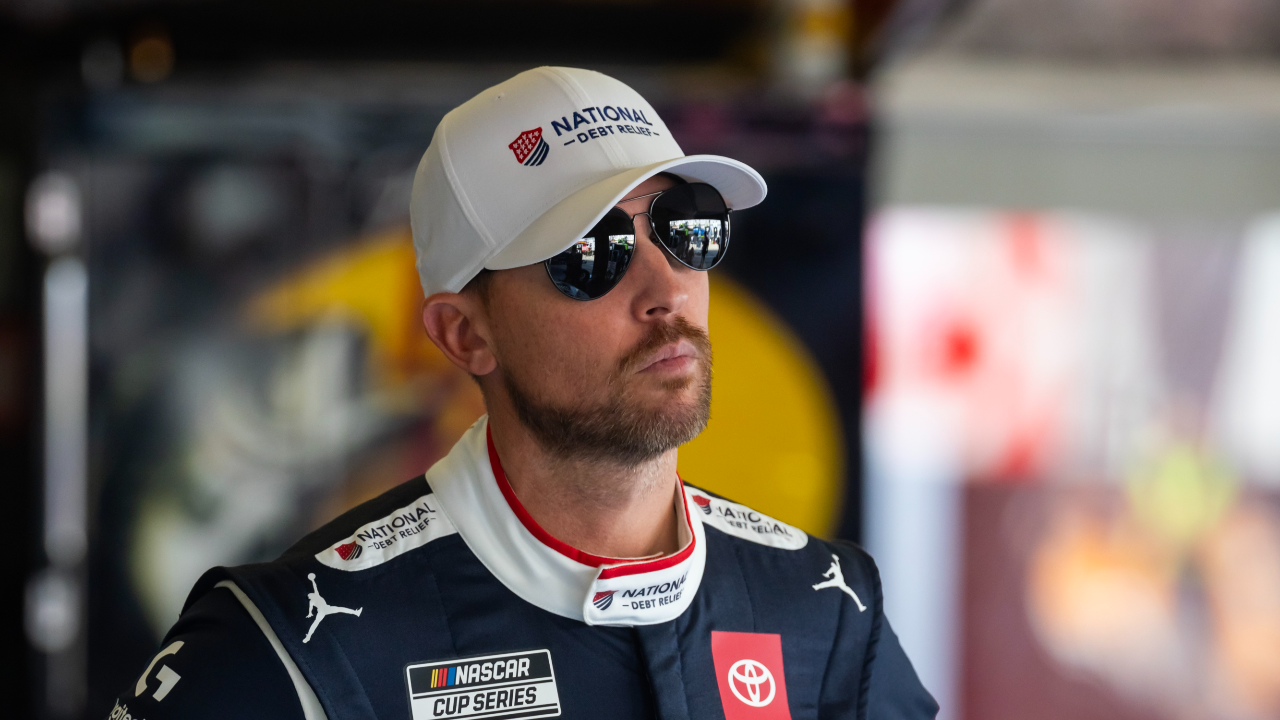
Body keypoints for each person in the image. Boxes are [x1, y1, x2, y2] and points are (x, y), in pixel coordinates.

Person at [109, 67, 938, 720]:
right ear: (466, 335)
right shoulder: (284, 647)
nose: (665, 290)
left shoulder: (829, 612)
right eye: (591, 252)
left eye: (687, 224)